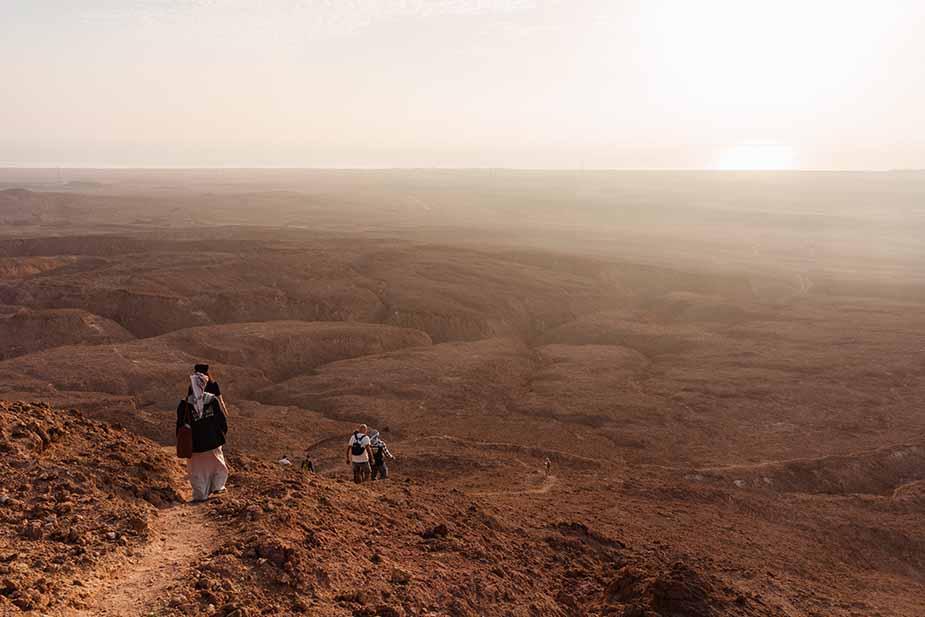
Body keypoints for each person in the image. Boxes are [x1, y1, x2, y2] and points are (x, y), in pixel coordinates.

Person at [177, 366, 229, 502]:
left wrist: (182, 442)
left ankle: (200, 495)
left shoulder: (185, 405)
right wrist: (221, 434)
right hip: (213, 441)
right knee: (217, 465)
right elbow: (221, 421)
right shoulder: (212, 401)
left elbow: (180, 425)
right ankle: (218, 486)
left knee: (197, 471)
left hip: (195, 446)